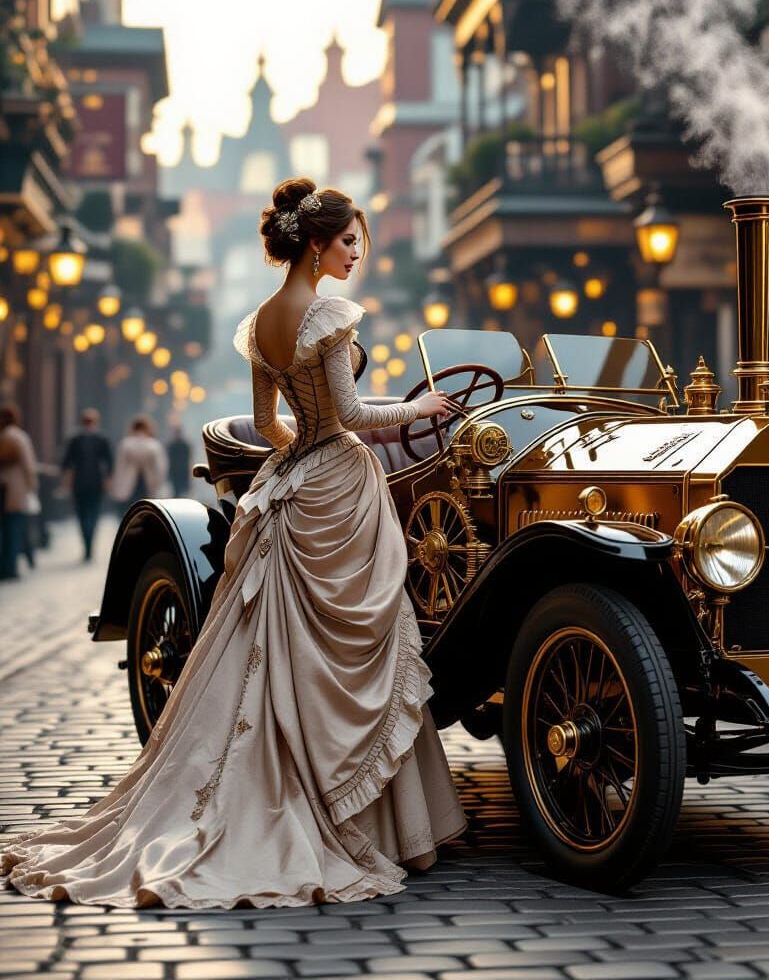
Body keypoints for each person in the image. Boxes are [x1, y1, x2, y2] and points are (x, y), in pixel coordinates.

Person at [1, 177, 467, 908]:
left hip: (295, 482)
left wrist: (294, 457)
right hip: (342, 484)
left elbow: (269, 420)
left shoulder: (261, 325)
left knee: (295, 650)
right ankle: (364, 815)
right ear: (315, 245)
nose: (354, 254)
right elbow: (350, 413)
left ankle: (321, 788)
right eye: (348, 242)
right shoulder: (327, 317)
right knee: (359, 640)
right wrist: (418, 406)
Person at [60, 408, 113, 561]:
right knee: (91, 517)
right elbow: (109, 463)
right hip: (92, 484)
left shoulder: (77, 439)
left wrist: (67, 480)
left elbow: (66, 463)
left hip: (83, 485)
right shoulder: (100, 439)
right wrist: (107, 480)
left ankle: (88, 546)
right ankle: (89, 546)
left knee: (84, 517)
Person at [0, 403, 39, 581]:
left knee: (6, 528)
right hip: (16, 487)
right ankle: (10, 566)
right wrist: (32, 485)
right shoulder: (19, 437)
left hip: (4, 487)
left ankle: (6, 565)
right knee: (14, 527)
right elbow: (28, 464)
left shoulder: (3, 436)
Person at [109, 415, 168, 517]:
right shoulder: (154, 445)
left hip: (127, 486)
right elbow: (161, 468)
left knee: (127, 515)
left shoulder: (125, 444)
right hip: (148, 484)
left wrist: (116, 486)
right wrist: (158, 483)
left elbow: (119, 467)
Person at [166, 426, 192, 498]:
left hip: (177, 472)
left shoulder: (171, 445)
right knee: (181, 492)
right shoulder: (185, 445)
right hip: (180, 472)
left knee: (178, 492)